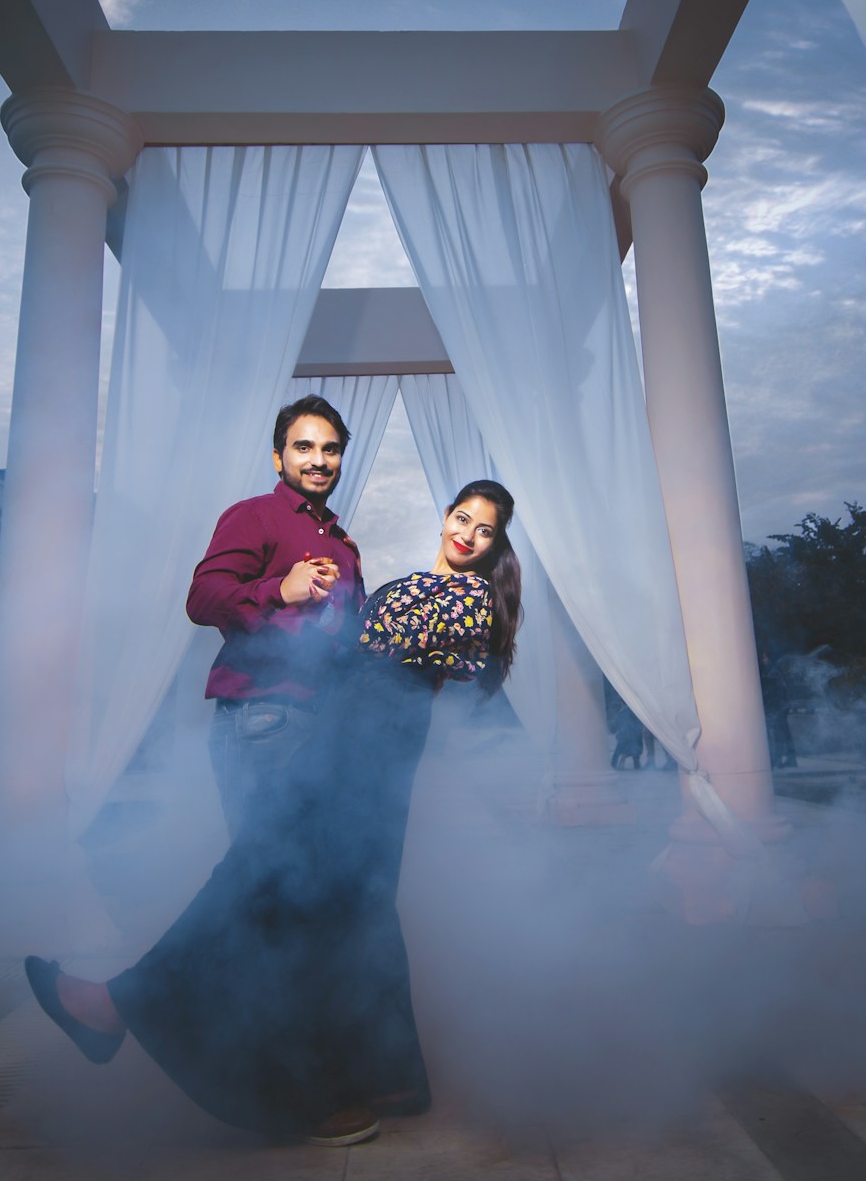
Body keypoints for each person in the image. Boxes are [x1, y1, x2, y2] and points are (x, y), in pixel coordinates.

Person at [26, 480, 524, 1148]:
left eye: (485, 529)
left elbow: (370, 658)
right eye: (462, 517)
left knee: (260, 876)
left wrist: (313, 613)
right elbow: (355, 647)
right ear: (446, 517)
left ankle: (118, 1005)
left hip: (364, 745)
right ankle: (390, 1077)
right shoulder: (413, 585)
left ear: (497, 544)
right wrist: (302, 602)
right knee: (350, 905)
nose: (468, 533)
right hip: (359, 739)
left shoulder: (469, 599)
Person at [185, 394, 366, 837]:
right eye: (303, 447)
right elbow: (203, 598)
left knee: (310, 877)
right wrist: (279, 590)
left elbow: (348, 641)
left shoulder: (344, 547)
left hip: (328, 724)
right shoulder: (254, 516)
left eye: (330, 449)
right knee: (262, 874)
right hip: (265, 717)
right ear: (277, 458)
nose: (318, 460)